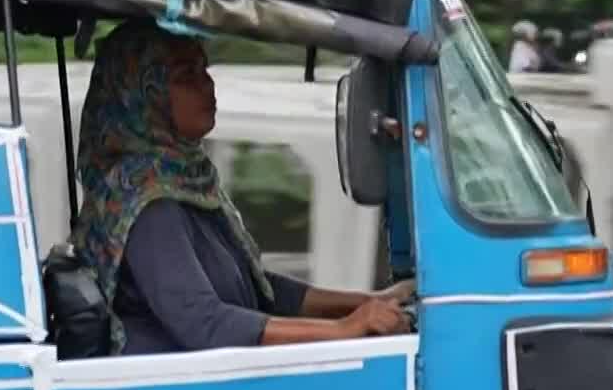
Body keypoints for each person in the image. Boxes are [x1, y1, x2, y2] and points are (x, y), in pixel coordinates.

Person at [70, 18, 412, 355]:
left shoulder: (185, 179)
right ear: (145, 95)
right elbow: (205, 324)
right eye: (186, 76)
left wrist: (372, 303)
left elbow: (261, 292)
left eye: (204, 69)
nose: (207, 85)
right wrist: (345, 330)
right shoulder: (146, 203)